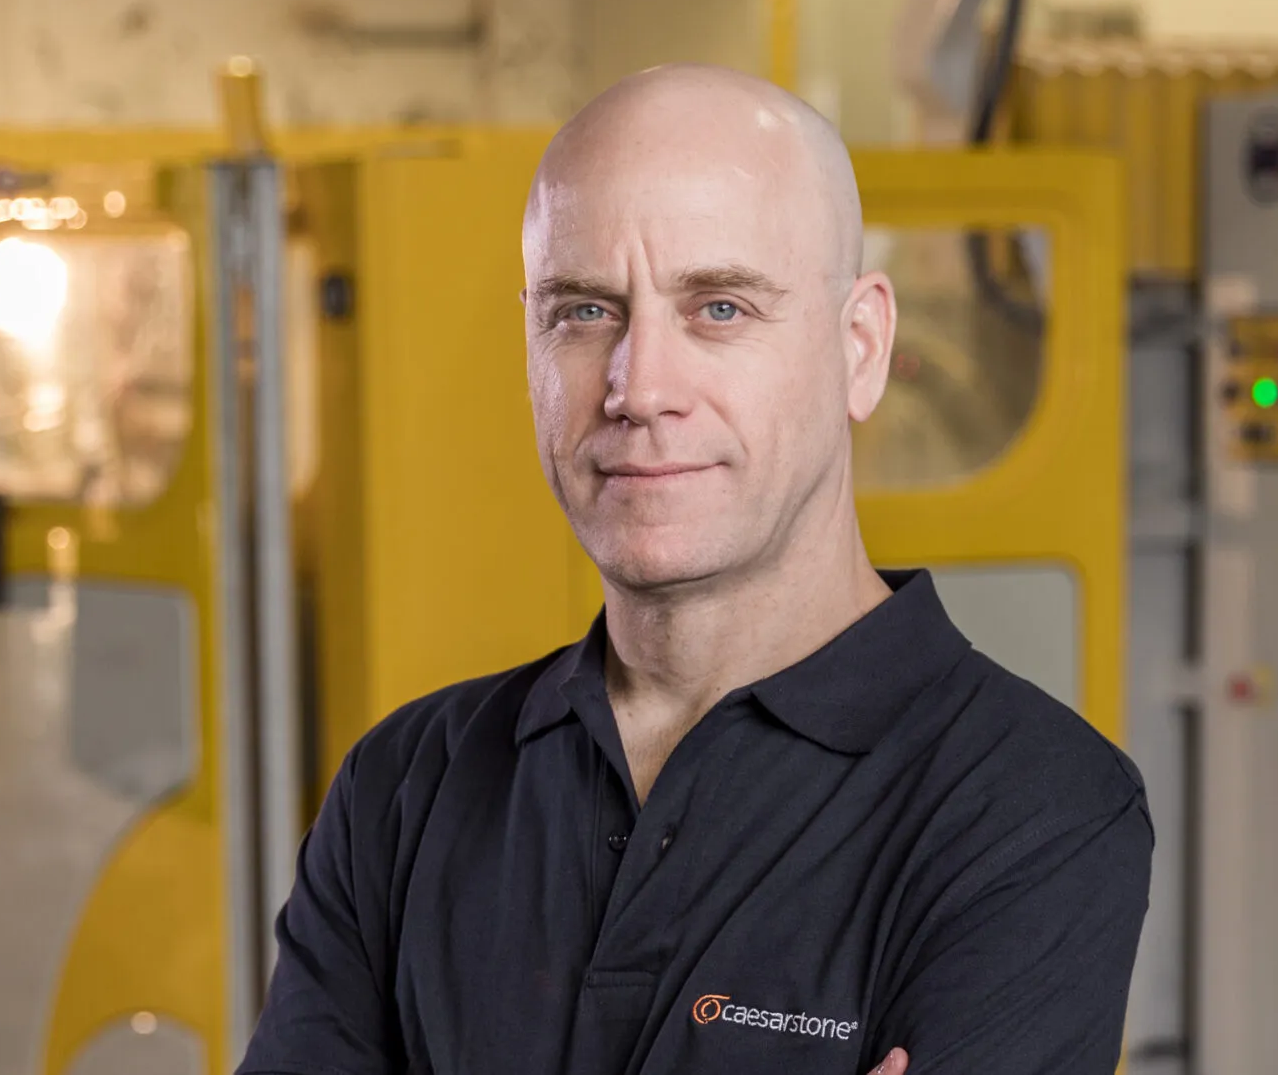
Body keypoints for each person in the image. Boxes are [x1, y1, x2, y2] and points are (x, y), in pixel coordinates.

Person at [239, 63, 1151, 1075]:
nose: (638, 387)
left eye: (718, 308)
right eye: (583, 311)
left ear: (860, 347)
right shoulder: (408, 783)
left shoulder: (1027, 812)